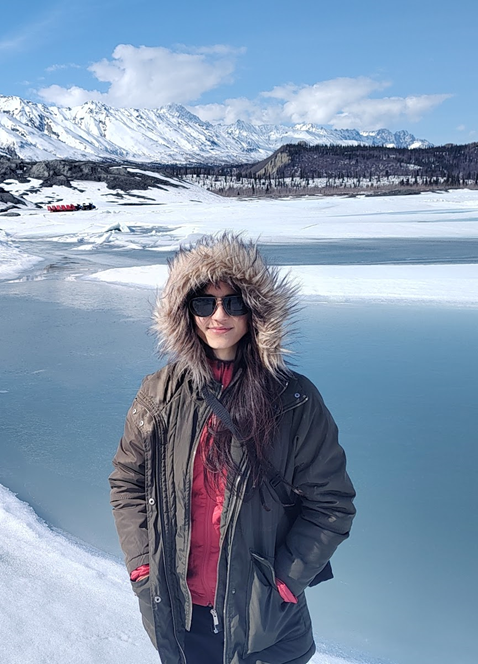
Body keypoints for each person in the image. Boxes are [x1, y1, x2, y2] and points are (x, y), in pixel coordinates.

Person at [109, 233, 355, 664]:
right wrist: (144, 565)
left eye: (233, 303)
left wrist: (283, 581)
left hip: (265, 622)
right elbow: (127, 481)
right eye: (204, 303)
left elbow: (331, 504)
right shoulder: (159, 394)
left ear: (255, 312)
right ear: (185, 313)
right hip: (181, 616)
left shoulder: (293, 399)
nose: (218, 315)